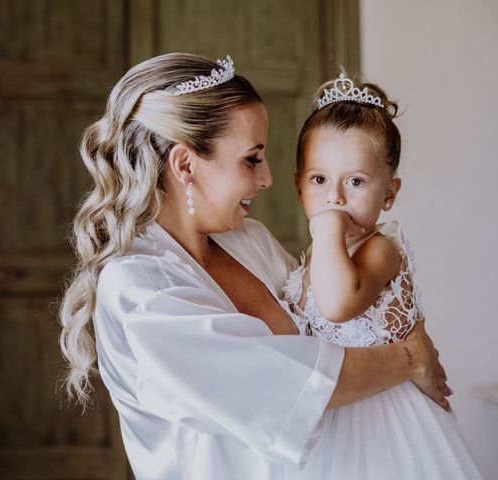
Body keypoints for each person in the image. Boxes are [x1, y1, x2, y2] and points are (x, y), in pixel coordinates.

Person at [59, 53, 450, 479]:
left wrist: (406, 317)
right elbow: (293, 388)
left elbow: (333, 318)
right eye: (252, 158)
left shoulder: (249, 241)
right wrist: (410, 357)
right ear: (185, 165)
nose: (267, 178)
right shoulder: (138, 289)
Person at [282, 73, 482, 478]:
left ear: (388, 194)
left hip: (383, 425)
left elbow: (337, 305)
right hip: (329, 420)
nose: (334, 198)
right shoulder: (317, 253)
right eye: (319, 180)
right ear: (299, 188)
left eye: (355, 182)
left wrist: (324, 228)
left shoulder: (379, 249)